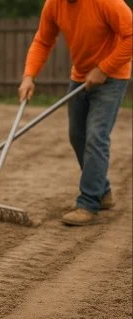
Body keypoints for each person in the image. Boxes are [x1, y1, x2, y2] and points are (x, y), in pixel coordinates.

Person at [19, 0, 132, 226]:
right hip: (80, 76)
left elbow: (130, 36)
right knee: (77, 136)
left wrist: (104, 68)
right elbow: (43, 40)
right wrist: (29, 76)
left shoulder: (106, 2)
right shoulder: (54, 5)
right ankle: (103, 191)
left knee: (96, 136)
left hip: (112, 78)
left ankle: (88, 203)